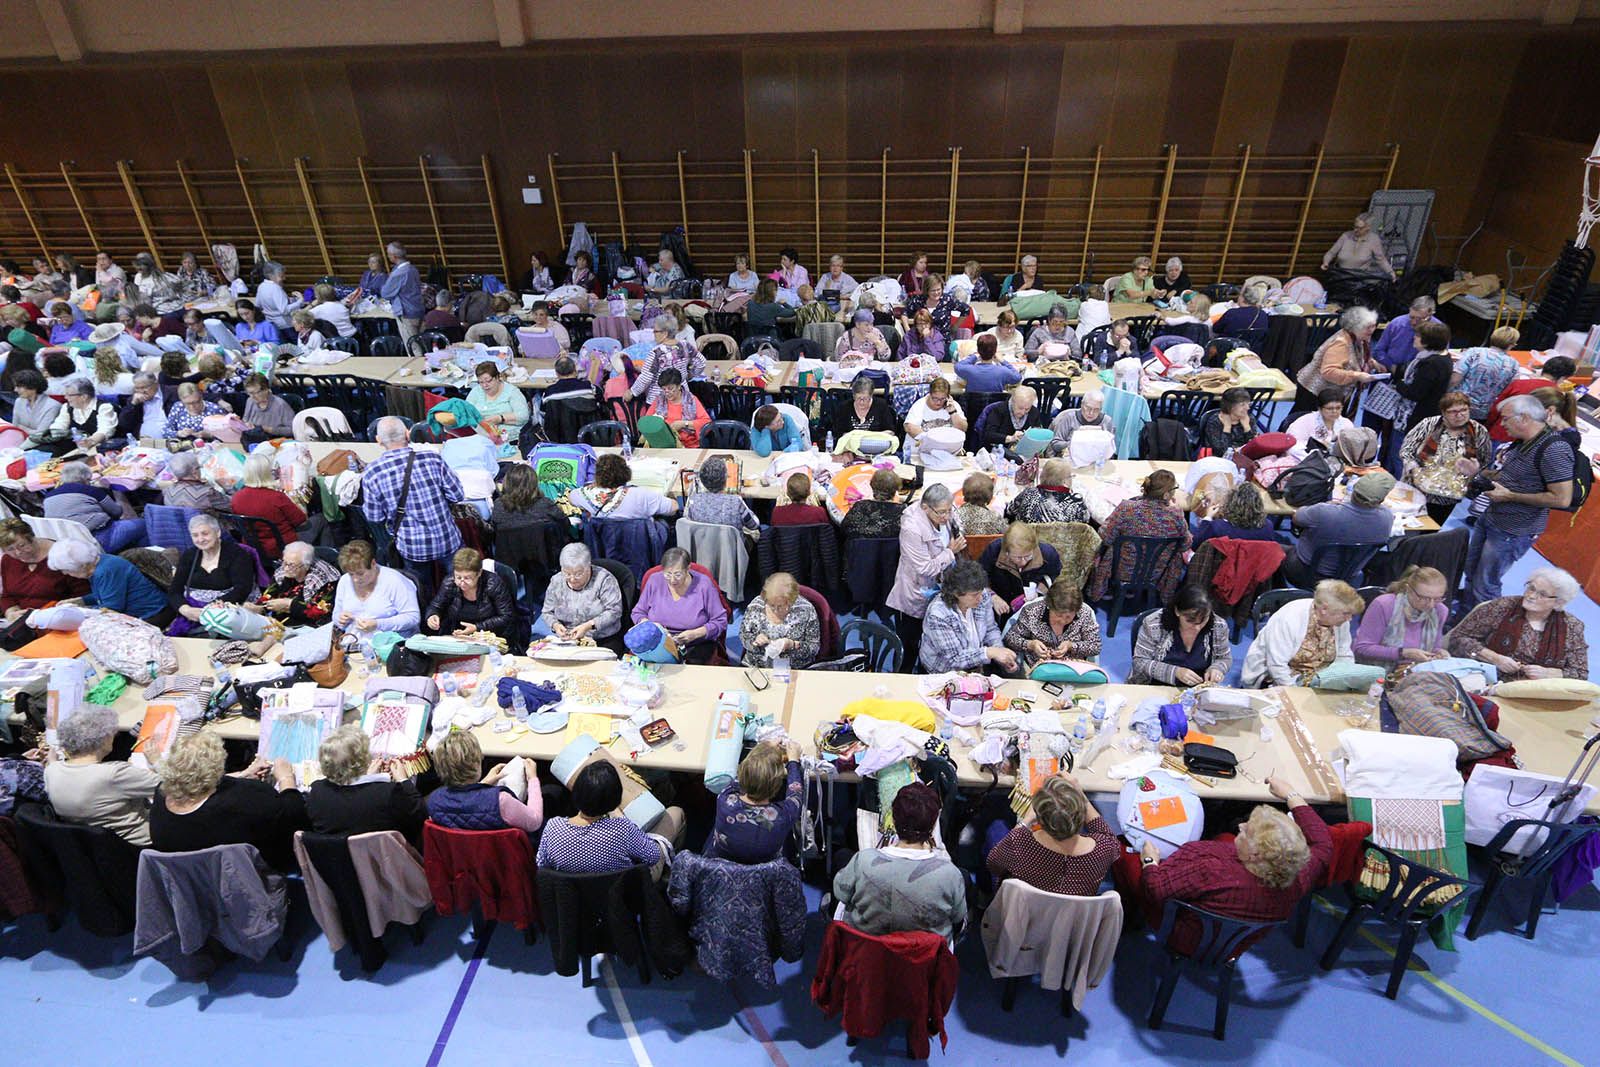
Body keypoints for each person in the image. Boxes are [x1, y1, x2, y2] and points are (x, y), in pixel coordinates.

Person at [1133, 776, 1331, 932]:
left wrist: (1150, 861)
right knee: (1226, 833)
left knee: (1127, 859)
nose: (1241, 825)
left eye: (1247, 831)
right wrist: (1291, 795)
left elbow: (1155, 889)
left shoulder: (1211, 871)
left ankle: (1129, 921)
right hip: (1235, 940)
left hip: (1184, 934)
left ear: (1255, 854)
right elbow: (1323, 844)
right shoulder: (1299, 875)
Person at [1459, 394, 1576, 608]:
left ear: (1523, 418)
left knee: (1486, 583)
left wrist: (1511, 496)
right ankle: (1464, 612)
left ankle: (1479, 625)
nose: (1502, 424)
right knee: (1471, 569)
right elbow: (1510, 475)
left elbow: (1561, 498)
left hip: (1513, 531)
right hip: (1493, 517)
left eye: (1505, 419)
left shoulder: (1554, 450)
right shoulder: (1523, 442)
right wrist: (1480, 473)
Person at [149, 733, 308, 873]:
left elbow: (195, 786)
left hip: (196, 882)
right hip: (250, 878)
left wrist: (244, 774)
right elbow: (294, 814)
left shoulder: (161, 794)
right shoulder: (244, 800)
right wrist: (286, 778)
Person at [832, 782, 967, 940]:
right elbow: (958, 917)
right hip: (924, 960)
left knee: (842, 857)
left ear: (894, 821)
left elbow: (840, 894)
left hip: (867, 954)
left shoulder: (863, 861)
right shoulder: (951, 875)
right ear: (932, 827)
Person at [362, 416, 464, 601]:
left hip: (412, 546)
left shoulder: (372, 472)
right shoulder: (432, 458)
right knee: (460, 587)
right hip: (447, 539)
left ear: (378, 440)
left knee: (421, 592)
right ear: (408, 434)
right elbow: (457, 495)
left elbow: (374, 517)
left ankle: (429, 623)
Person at [537, 761, 684, 873]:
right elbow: (653, 856)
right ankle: (669, 876)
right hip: (623, 895)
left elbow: (542, 866)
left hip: (575, 902)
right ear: (614, 800)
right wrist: (620, 817)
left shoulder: (552, 827)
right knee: (676, 812)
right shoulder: (622, 829)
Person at [43, 705, 158, 846]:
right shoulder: (115, 774)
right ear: (103, 739)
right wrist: (157, 762)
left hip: (99, 848)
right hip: (143, 842)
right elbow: (176, 786)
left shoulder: (51, 771)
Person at [987, 774, 1118, 895]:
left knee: (996, 828)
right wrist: (1081, 796)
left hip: (1024, 913)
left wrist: (1025, 821)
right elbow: (1107, 834)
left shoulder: (1018, 843)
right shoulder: (1103, 849)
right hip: (1074, 917)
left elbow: (993, 865)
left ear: (1040, 818)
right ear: (1081, 814)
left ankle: (983, 895)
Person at [1448, 566, 1587, 679]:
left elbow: (1580, 673)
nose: (1531, 596)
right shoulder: (1502, 607)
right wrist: (1494, 658)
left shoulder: (1571, 627)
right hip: (1485, 677)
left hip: (1535, 692)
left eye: (1542, 594)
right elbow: (1458, 638)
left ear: (1559, 602)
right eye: (1531, 588)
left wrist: (1550, 673)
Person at [305, 726, 427, 845]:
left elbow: (349, 800)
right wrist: (404, 780)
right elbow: (419, 815)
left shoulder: (317, 792)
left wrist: (368, 777)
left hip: (333, 863)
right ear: (362, 759)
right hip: (379, 863)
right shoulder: (387, 794)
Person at [886, 484, 965, 663]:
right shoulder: (912, 528)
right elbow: (924, 568)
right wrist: (950, 552)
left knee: (935, 640)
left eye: (949, 510)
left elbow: (956, 528)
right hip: (918, 589)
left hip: (943, 586)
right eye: (941, 512)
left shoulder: (945, 514)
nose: (946, 516)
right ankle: (904, 674)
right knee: (910, 641)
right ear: (925, 507)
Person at [1281, 471, 1395, 587]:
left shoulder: (1324, 512)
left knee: (1273, 546)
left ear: (1354, 489)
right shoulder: (1387, 518)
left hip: (1303, 571)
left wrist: (1327, 505)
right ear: (1381, 500)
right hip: (1347, 577)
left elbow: (1296, 517)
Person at [1241, 579, 1364, 686]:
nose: (1349, 619)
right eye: (1345, 613)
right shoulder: (1289, 618)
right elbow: (1277, 666)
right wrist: (1296, 693)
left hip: (1321, 679)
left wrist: (1338, 680)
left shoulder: (1340, 621)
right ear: (1324, 609)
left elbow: (1344, 656)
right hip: (1282, 678)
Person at [1090, 471, 1191, 600]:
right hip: (1158, 573)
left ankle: (1108, 590)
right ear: (1166, 495)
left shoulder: (1127, 508)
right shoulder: (1175, 514)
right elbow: (1186, 545)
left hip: (1122, 570)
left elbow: (1106, 537)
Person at [1398, 392, 1491, 525]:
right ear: (1443, 413)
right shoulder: (1429, 424)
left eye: (1464, 410)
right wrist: (1411, 466)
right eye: (1453, 412)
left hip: (1448, 496)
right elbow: (1407, 449)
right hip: (1416, 489)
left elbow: (1484, 460)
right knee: (1405, 527)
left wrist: (1474, 470)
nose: (1460, 415)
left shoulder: (1479, 432)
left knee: (1430, 531)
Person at [425, 730, 543, 834]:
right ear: (476, 762)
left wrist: (484, 783)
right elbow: (535, 822)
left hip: (467, 855)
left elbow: (465, 803)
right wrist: (532, 779)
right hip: (508, 853)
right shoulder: (500, 800)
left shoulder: (434, 801)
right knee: (552, 791)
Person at [706, 739, 804, 864]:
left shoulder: (724, 799)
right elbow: (796, 793)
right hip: (764, 872)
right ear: (777, 785)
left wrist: (762, 749)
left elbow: (740, 776)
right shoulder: (784, 815)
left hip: (720, 864)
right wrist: (793, 761)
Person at [919, 558, 1017, 674]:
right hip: (943, 672)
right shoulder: (938, 614)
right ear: (956, 593)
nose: (980, 598)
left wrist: (1001, 654)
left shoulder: (982, 595)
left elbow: (990, 629)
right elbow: (955, 659)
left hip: (975, 668)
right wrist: (989, 652)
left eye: (981, 592)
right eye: (974, 595)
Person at [632, 546, 728, 664]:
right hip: (657, 643)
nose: (672, 580)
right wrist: (649, 626)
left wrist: (695, 634)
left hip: (694, 644)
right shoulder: (654, 580)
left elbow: (720, 621)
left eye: (678, 575)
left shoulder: (704, 585)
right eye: (667, 574)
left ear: (688, 569)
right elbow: (638, 612)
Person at [1129, 585, 1233, 685]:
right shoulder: (1154, 623)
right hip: (1155, 686)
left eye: (1204, 620)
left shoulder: (1218, 626)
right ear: (1177, 611)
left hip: (1198, 689)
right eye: (1190, 621)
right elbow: (1140, 662)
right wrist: (1175, 672)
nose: (1197, 627)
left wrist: (1217, 669)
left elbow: (1224, 658)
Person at [169, 513, 256, 632]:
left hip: (228, 610)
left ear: (218, 533)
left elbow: (242, 590)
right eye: (195, 535)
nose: (200, 539)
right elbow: (175, 590)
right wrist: (185, 609)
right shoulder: (189, 555)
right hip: (194, 612)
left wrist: (210, 609)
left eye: (205, 533)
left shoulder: (238, 554)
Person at [46, 538, 167, 623]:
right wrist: (80, 601)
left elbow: (111, 609)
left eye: (67, 570)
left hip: (151, 614)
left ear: (82, 566)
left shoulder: (105, 571)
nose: (65, 573)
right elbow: (105, 595)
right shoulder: (99, 561)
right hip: (141, 613)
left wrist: (77, 610)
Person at [1353, 566, 1450, 668]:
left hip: (1418, 671)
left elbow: (1434, 647)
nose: (1431, 605)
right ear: (1409, 589)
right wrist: (1403, 653)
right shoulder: (1384, 605)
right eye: (1423, 598)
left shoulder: (1440, 610)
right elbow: (1362, 648)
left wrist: (1439, 652)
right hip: (1378, 671)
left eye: (1438, 598)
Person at [1003, 578, 1101, 674]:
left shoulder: (1084, 613)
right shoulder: (1032, 611)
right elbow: (1010, 638)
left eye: (1068, 616)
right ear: (1049, 606)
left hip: (1072, 670)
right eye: (1058, 615)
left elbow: (1095, 646)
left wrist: (1071, 646)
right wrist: (1031, 644)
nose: (1063, 621)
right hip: (1038, 669)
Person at [43, 461, 144, 554]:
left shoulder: (48, 497)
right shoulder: (90, 490)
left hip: (70, 544)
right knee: (143, 523)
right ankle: (147, 558)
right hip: (97, 540)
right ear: (85, 478)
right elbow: (117, 512)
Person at [330, 539, 421, 639]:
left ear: (373, 563)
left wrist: (378, 624)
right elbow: (336, 614)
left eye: (360, 573)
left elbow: (413, 617)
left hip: (392, 642)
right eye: (351, 574)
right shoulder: (344, 581)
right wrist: (340, 619)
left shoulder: (395, 581)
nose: (355, 579)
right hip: (354, 641)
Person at [0, 519, 88, 619]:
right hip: (24, 621)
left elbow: (83, 595)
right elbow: (7, 595)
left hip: (60, 617)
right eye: (10, 549)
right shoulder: (8, 560)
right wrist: (11, 612)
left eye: (22, 545)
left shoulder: (62, 555)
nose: (18, 553)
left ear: (32, 538)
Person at [540, 542, 624, 644]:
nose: (572, 579)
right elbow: (547, 612)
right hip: (567, 639)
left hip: (601, 638)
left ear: (588, 567)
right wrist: (555, 625)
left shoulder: (604, 579)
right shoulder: (557, 581)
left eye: (578, 574)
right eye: (567, 573)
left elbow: (615, 611)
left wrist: (588, 626)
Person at [424, 548, 517, 638]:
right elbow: (436, 606)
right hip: (457, 635)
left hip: (490, 635)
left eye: (467, 578)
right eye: (458, 577)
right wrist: (432, 615)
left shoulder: (493, 584)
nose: (462, 582)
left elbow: (506, 616)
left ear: (479, 573)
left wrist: (477, 627)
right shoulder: (449, 582)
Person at [230, 453, 306, 561]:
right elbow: (301, 520)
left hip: (252, 546)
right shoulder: (276, 497)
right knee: (320, 520)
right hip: (282, 547)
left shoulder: (236, 498)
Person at [1485, 355, 1576, 443]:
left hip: (1498, 434)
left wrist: (1488, 428)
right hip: (1524, 443)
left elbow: (1495, 410)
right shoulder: (1556, 395)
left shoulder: (1518, 384)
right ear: (1563, 378)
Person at [739, 572, 821, 670]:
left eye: (780, 606)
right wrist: (755, 640)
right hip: (757, 668)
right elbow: (744, 636)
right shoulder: (755, 607)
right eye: (771, 605)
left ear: (791, 601)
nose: (775, 610)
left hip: (795, 668)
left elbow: (814, 647)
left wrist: (792, 644)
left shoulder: (805, 610)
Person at [246, 541, 339, 626]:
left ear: (306, 565)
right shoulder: (283, 571)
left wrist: (289, 605)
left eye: (291, 565)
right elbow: (269, 595)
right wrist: (258, 607)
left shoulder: (324, 579)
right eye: (284, 562)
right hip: (280, 624)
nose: (285, 568)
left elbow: (321, 612)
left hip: (310, 626)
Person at [1391, 320, 1455, 439]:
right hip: (1422, 415)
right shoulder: (1440, 357)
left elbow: (1415, 393)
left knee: (1398, 452)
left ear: (1428, 342)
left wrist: (1398, 383)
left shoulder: (1431, 364)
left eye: (1418, 336)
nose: (1414, 337)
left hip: (1414, 417)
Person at [980, 522, 1061, 615]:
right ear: (1007, 552)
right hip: (1000, 606)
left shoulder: (1048, 554)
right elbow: (979, 579)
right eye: (1018, 557)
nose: (1023, 562)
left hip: (1033, 606)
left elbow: (1053, 574)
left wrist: (1039, 592)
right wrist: (992, 597)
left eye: (1028, 556)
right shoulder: (994, 551)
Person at [568, 453, 678, 519]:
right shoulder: (640, 495)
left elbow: (571, 497)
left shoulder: (584, 494)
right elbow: (673, 508)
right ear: (625, 472)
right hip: (638, 545)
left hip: (603, 548)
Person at [1452, 326, 1523, 422]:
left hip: (1457, 404)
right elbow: (1510, 390)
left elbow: (1455, 379)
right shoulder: (1514, 365)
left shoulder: (1474, 352)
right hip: (1482, 412)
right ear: (1513, 344)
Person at [632, 314, 706, 406]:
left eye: (655, 331)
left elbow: (646, 378)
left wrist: (632, 392)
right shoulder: (686, 346)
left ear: (665, 333)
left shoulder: (656, 352)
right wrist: (689, 375)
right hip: (681, 396)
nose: (653, 334)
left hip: (658, 399)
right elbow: (701, 363)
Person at [465, 361, 530, 457]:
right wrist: (482, 423)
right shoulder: (476, 392)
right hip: (482, 441)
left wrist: (500, 418)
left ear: (497, 377)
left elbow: (523, 416)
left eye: (488, 381)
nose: (485, 385)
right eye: (481, 382)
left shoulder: (512, 392)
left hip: (510, 441)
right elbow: (466, 413)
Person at [38, 377, 115, 453]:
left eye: (69, 395)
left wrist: (90, 441)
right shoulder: (67, 407)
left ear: (84, 397)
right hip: (76, 448)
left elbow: (105, 430)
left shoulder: (103, 407)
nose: (65, 397)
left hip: (100, 448)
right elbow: (59, 425)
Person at [1005, 458, 1091, 524]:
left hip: (1028, 543)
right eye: (1070, 476)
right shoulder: (1076, 502)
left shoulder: (1028, 493)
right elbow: (1085, 523)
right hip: (1062, 545)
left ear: (1042, 475)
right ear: (1064, 480)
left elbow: (1009, 512)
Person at [1190, 481, 1277, 547]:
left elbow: (1196, 544)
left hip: (1221, 567)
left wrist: (1207, 518)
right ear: (1259, 504)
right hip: (1255, 568)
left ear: (1230, 502)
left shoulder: (1217, 527)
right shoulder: (1268, 526)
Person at [903, 377, 968, 463]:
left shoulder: (953, 406)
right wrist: (933, 443)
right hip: (920, 454)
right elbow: (909, 427)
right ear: (930, 394)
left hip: (947, 455)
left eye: (942, 399)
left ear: (948, 396)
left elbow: (963, 429)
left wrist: (952, 412)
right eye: (935, 398)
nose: (938, 402)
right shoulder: (920, 405)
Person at [492, 463, 570, 531]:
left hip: (507, 547)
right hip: (541, 547)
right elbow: (565, 523)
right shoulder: (545, 504)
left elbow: (495, 527)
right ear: (534, 483)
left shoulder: (499, 505)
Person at [1371, 296, 1441, 372]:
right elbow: (1378, 350)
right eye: (1411, 317)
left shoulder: (1438, 331)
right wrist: (1391, 366)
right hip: (1388, 370)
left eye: (1419, 319)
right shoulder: (1397, 323)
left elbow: (1440, 358)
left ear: (1431, 314)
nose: (1414, 322)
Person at [1321, 212, 1395, 279]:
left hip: (1359, 278)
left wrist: (1390, 272)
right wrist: (1326, 262)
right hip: (1340, 275)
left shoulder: (1374, 240)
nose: (1356, 230)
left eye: (1360, 228)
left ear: (1367, 228)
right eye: (1355, 227)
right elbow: (1331, 253)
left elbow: (1381, 260)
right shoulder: (1346, 236)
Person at [839, 468, 906, 540]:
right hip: (891, 550)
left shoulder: (860, 506)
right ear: (896, 489)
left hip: (858, 549)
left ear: (871, 485)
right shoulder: (903, 511)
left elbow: (843, 529)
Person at [379, 242, 425, 343]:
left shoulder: (399, 273)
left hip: (406, 312)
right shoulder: (413, 269)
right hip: (419, 309)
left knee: (412, 346)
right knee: (422, 343)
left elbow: (385, 293)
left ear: (393, 256)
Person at [160, 449, 231, 513]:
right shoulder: (207, 492)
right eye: (199, 467)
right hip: (205, 525)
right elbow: (233, 505)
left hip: (182, 526)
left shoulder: (168, 490)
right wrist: (227, 486)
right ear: (194, 472)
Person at [1048, 391, 1116, 457]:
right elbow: (1055, 443)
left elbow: (1110, 447)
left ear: (1101, 409)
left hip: (1096, 460)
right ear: (1082, 404)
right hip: (1069, 459)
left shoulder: (1106, 421)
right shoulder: (1069, 417)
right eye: (1088, 408)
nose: (1091, 413)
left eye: (1096, 410)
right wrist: (1077, 444)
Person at [1286, 389, 1355, 453]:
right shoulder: (1305, 421)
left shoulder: (1347, 424)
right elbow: (1292, 445)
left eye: (1338, 408)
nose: (1334, 411)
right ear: (1319, 408)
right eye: (1329, 408)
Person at [904, 273, 969, 340]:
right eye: (933, 290)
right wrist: (907, 329)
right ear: (927, 290)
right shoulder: (919, 300)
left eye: (938, 290)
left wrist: (955, 326)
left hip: (942, 341)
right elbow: (905, 313)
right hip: (921, 340)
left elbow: (966, 309)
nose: (936, 293)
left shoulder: (947, 300)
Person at [831, 373, 898, 438]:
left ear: (871, 395)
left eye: (865, 398)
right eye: (858, 398)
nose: (861, 402)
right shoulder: (844, 407)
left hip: (876, 445)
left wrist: (869, 436)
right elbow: (838, 433)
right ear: (853, 395)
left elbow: (890, 432)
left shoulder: (881, 405)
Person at [1199, 387, 1258, 456]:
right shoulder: (1215, 421)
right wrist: (1227, 428)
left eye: (1248, 404)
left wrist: (1247, 428)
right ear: (1230, 406)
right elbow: (1221, 451)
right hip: (1220, 461)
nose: (1247, 408)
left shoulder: (1249, 418)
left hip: (1245, 458)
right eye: (1242, 405)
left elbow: (1255, 447)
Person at [956, 333, 1022, 393]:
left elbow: (958, 366)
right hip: (995, 405)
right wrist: (1003, 361)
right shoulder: (1003, 371)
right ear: (995, 351)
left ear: (978, 350)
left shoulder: (969, 370)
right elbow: (1017, 377)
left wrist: (974, 356)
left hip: (972, 405)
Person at [7, 369, 60, 442]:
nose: (15, 390)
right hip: (19, 439)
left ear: (32, 387)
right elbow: (15, 426)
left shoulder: (53, 406)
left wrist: (21, 427)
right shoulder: (19, 401)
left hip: (40, 444)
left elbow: (40, 434)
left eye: (19, 387)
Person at [240, 372, 296, 442]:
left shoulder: (280, 405)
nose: (252, 396)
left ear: (266, 389)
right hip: (254, 440)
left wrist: (269, 429)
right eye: (250, 393)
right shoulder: (250, 401)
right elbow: (245, 420)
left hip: (275, 441)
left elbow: (293, 429)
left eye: (256, 393)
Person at [254, 261, 302, 332]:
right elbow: (284, 310)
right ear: (271, 276)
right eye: (281, 276)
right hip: (285, 325)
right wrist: (299, 302)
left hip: (271, 323)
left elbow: (258, 305)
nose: (284, 278)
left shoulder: (261, 286)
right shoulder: (275, 288)